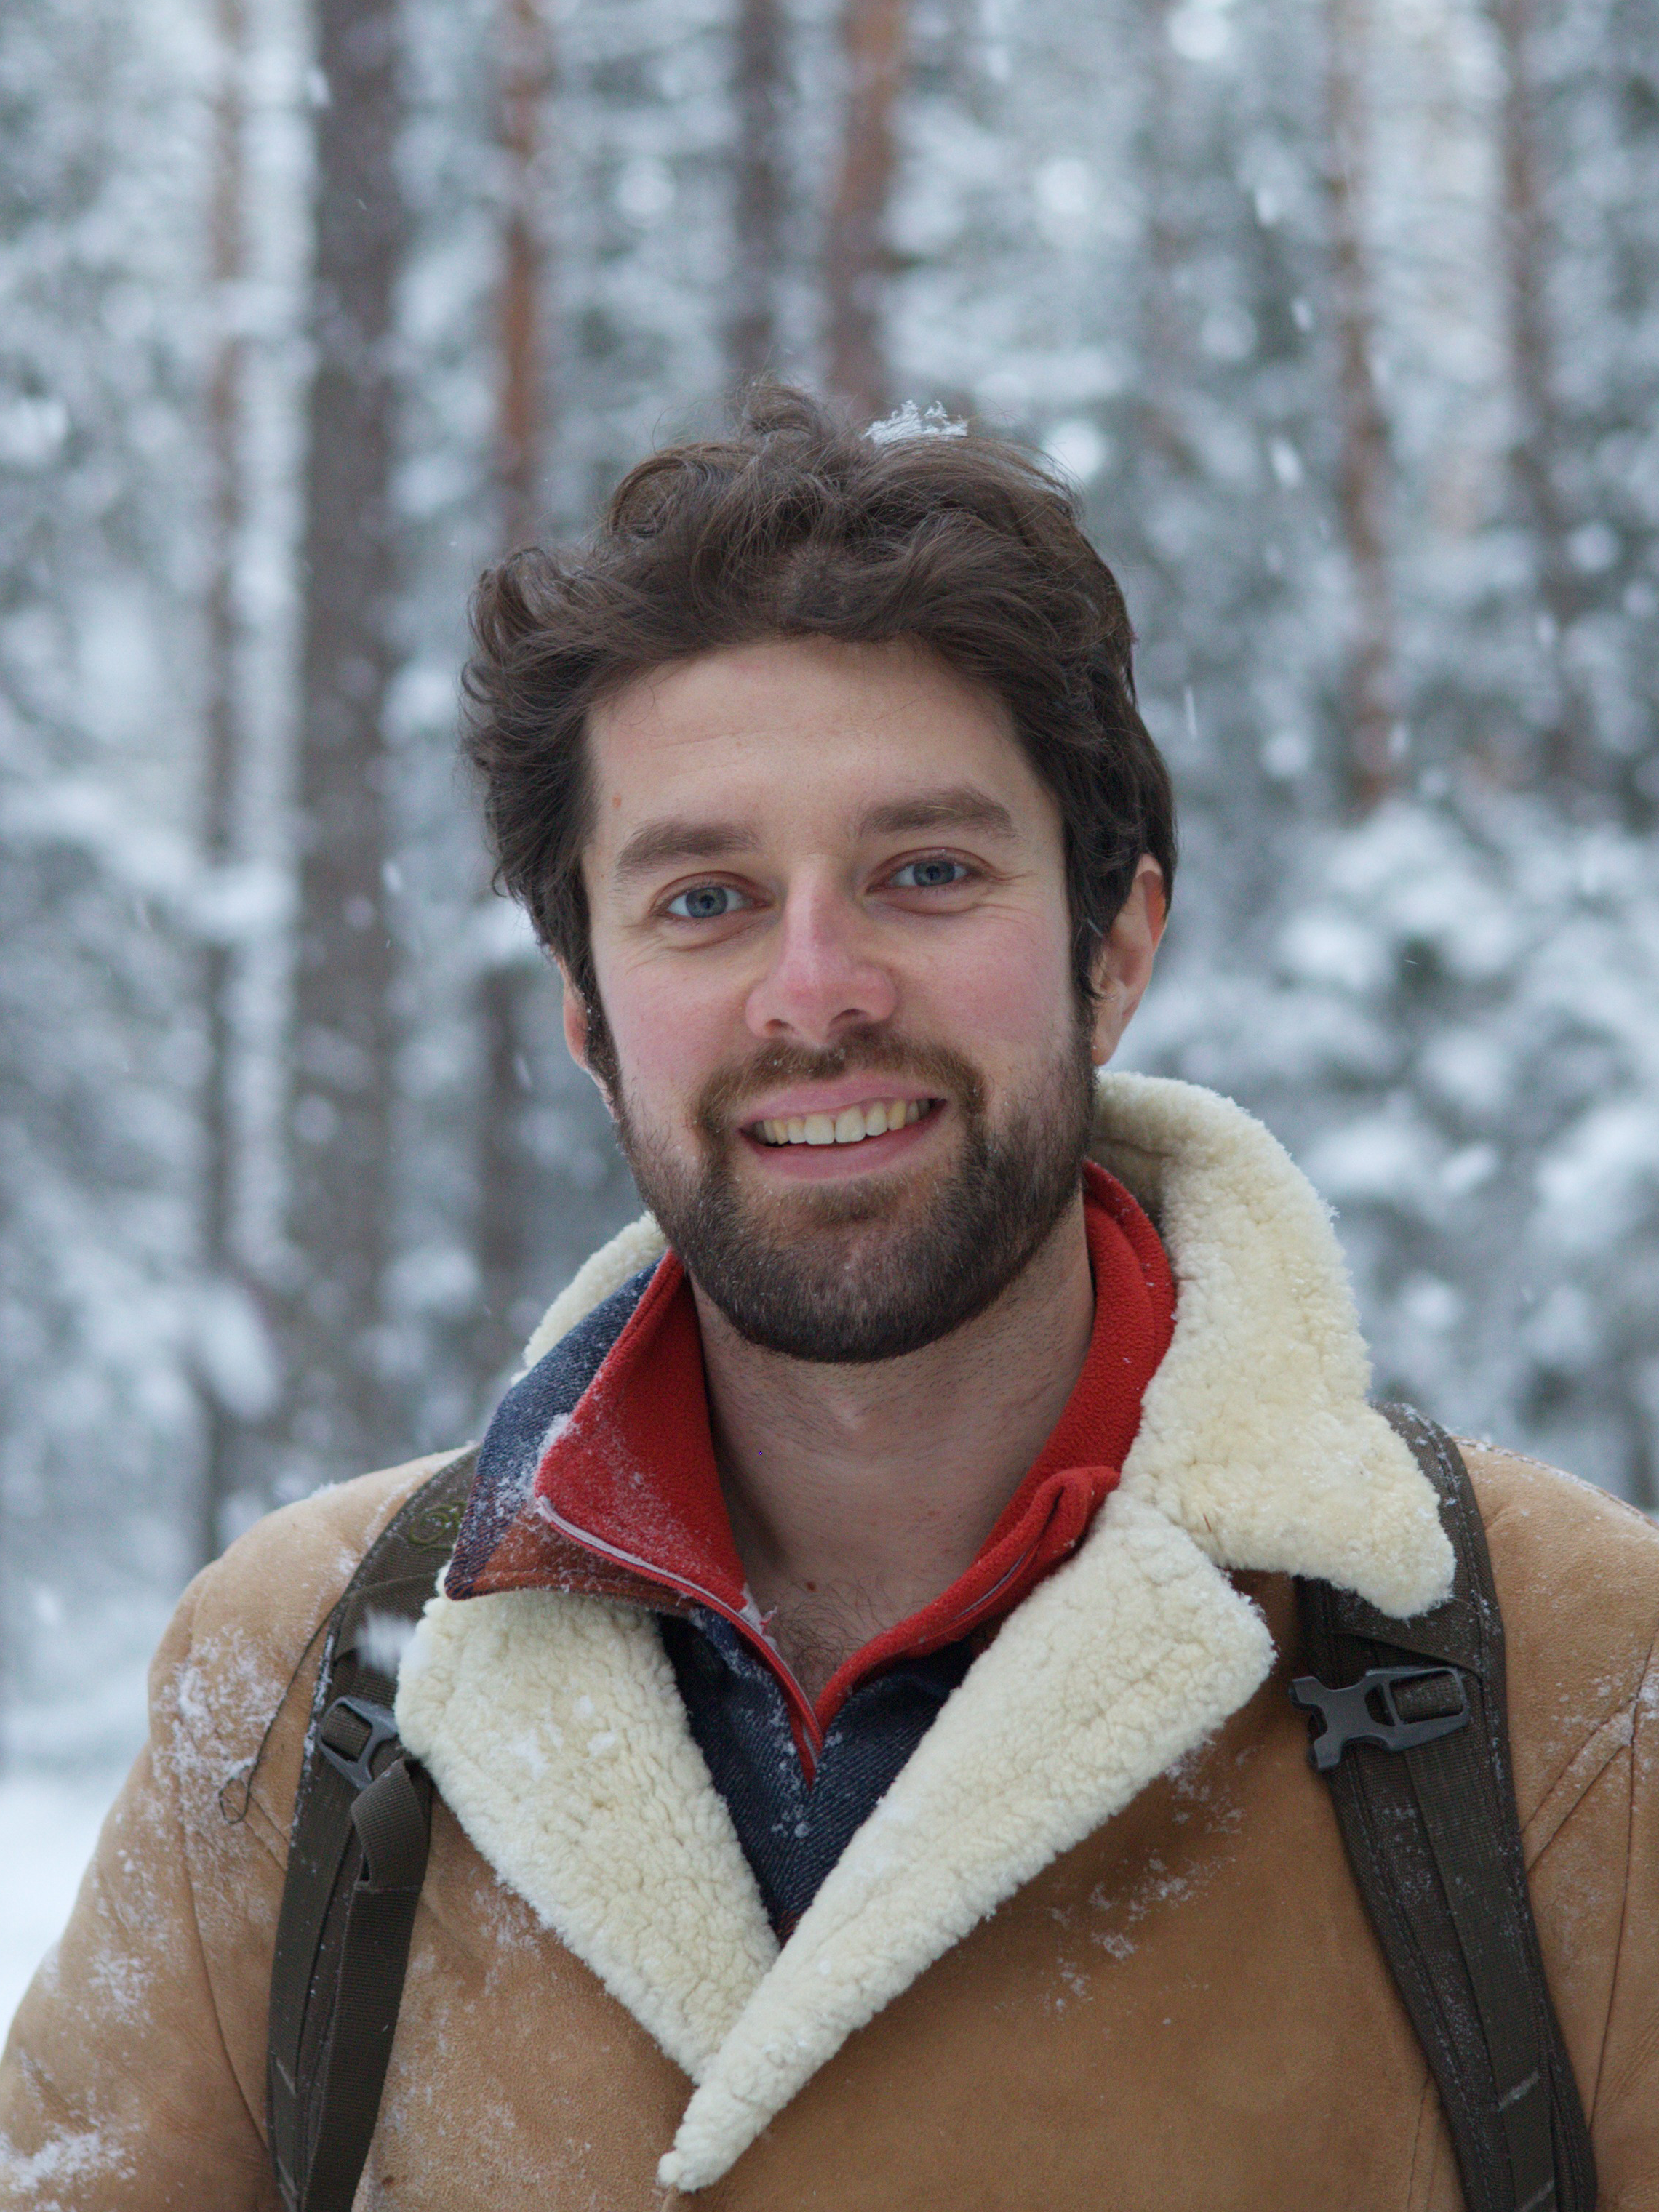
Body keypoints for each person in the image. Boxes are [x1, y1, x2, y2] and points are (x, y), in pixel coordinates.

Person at [2, 387, 1655, 2210]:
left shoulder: (1566, 1678)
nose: (816, 991)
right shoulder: (310, 1676)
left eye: (925, 873)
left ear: (1115, 951)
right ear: (589, 1019)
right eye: (704, 899)